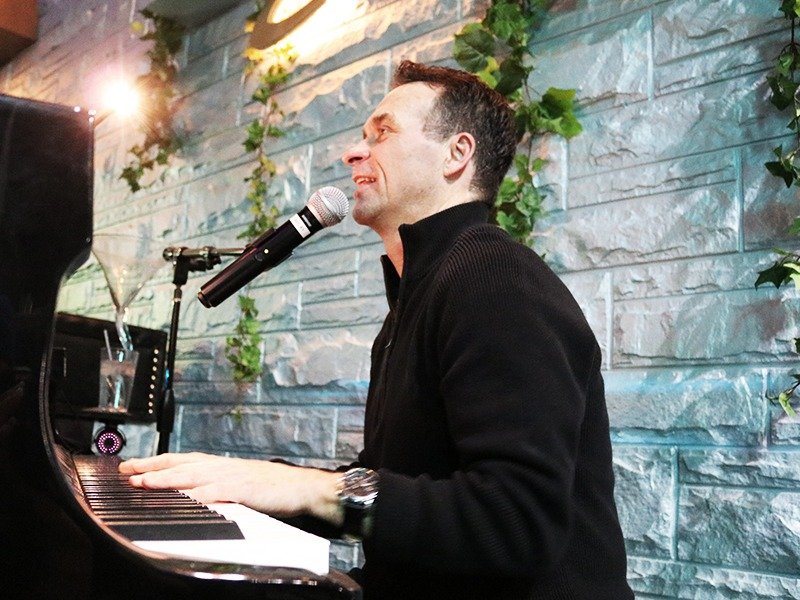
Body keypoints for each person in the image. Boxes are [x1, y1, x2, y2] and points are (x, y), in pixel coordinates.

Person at [120, 60, 633, 600]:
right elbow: (390, 485)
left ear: (457, 154)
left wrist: (305, 489)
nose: (352, 153)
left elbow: (515, 519)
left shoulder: (494, 277)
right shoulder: (419, 298)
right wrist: (248, 483)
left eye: (381, 133)